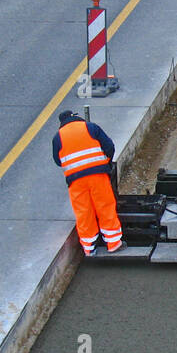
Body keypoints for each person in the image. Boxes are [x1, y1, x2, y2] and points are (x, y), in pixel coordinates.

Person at [52, 110, 123, 256]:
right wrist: (106, 163)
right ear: (76, 118)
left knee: (83, 211)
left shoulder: (57, 137)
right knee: (104, 205)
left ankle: (89, 247)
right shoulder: (90, 127)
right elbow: (109, 146)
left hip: (75, 180)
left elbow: (58, 161)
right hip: (98, 174)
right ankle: (113, 242)